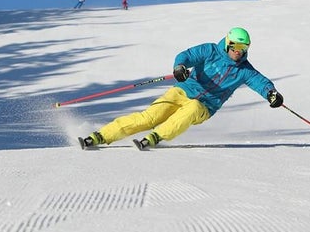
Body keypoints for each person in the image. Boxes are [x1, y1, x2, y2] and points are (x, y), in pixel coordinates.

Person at [79, 27, 283, 150]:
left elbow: (260, 82)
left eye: (243, 49)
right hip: (183, 90)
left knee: (193, 107)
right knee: (149, 118)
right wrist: (180, 68)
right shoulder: (210, 50)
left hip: (206, 105)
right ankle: (100, 136)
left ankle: (157, 137)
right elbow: (187, 56)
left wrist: (271, 93)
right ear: (228, 44)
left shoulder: (244, 70)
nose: (239, 53)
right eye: (236, 48)